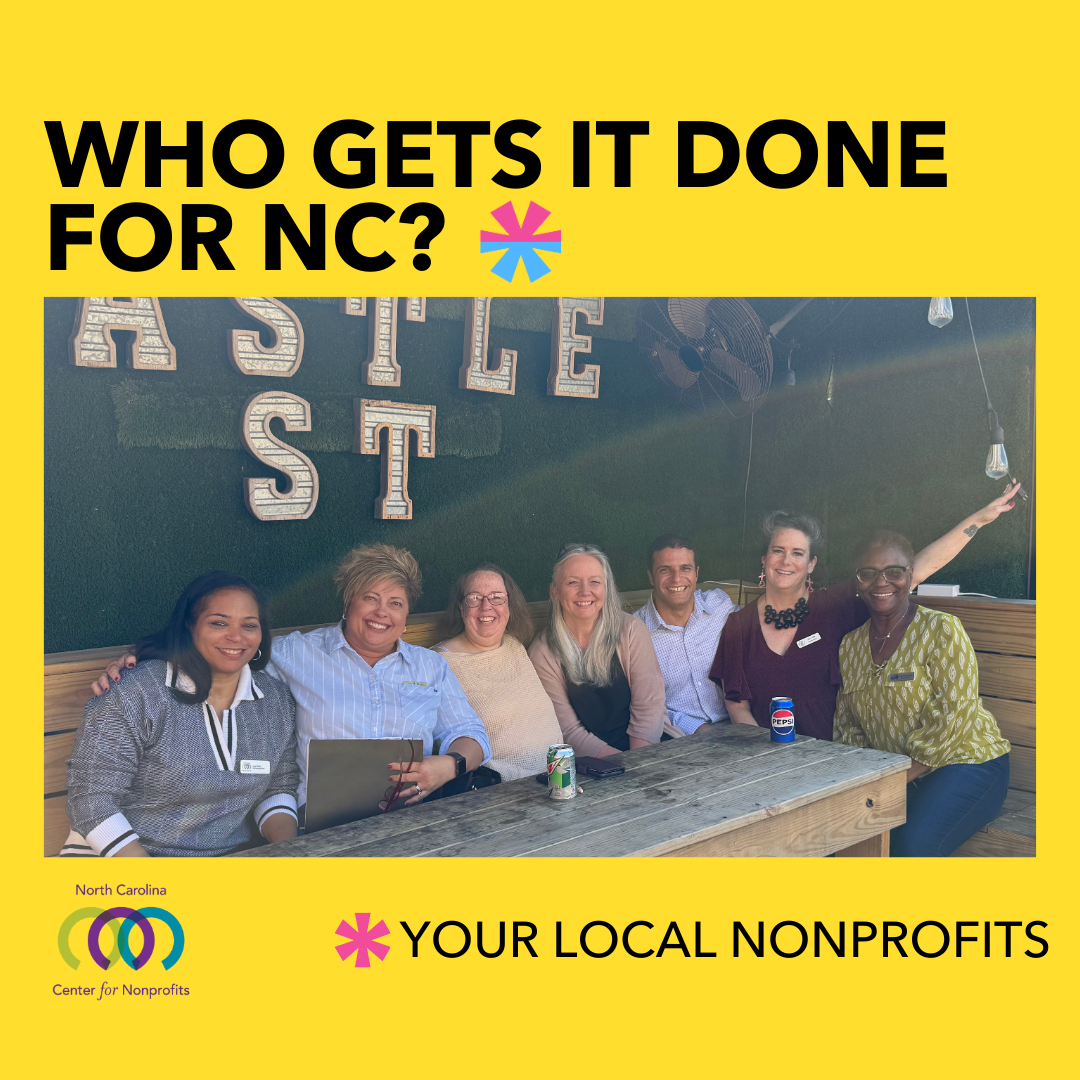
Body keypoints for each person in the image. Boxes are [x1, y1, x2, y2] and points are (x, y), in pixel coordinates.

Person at [94, 544, 491, 813]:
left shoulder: (429, 666)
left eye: (395, 603)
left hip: (412, 812)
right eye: (370, 598)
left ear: (407, 614)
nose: (381, 613)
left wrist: (450, 764)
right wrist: (143, 657)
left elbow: (471, 732)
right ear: (348, 601)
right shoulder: (295, 653)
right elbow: (228, 648)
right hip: (320, 818)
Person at [710, 483, 1022, 741]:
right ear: (764, 560)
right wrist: (768, 754)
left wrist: (979, 520)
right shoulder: (739, 624)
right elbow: (738, 707)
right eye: (777, 551)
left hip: (835, 756)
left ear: (811, 564)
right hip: (765, 759)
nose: (786, 561)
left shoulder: (835, 606)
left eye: (797, 553)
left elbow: (917, 569)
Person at [63, 572, 299, 857]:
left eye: (249, 625)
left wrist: (290, 853)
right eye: (219, 623)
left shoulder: (275, 699)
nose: (236, 637)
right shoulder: (136, 693)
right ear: (189, 626)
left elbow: (277, 786)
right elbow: (91, 801)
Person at [834, 531, 1011, 856]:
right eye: (868, 573)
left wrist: (900, 776)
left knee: (911, 847)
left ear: (910, 576)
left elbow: (955, 713)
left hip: (966, 762)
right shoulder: (851, 645)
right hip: (897, 774)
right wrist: (865, 779)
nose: (881, 581)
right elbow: (847, 726)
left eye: (894, 571)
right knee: (841, 838)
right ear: (857, 582)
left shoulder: (941, 629)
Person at [528, 543, 670, 756]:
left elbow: (649, 707)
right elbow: (568, 730)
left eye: (595, 582)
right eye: (572, 582)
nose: (585, 592)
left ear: (606, 588)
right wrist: (617, 766)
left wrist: (637, 763)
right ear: (555, 590)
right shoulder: (543, 652)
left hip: (647, 749)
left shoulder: (630, 630)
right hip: (590, 760)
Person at [433, 564, 563, 784]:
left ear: (509, 604)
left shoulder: (514, 646)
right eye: (474, 598)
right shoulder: (439, 663)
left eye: (496, 597)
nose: (486, 607)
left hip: (557, 778)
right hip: (500, 790)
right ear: (461, 607)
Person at [633, 534, 738, 734]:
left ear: (696, 573)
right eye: (665, 570)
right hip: (677, 740)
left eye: (685, 568)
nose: (676, 579)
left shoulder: (721, 606)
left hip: (738, 726)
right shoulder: (635, 632)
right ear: (650, 576)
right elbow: (639, 703)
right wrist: (695, 728)